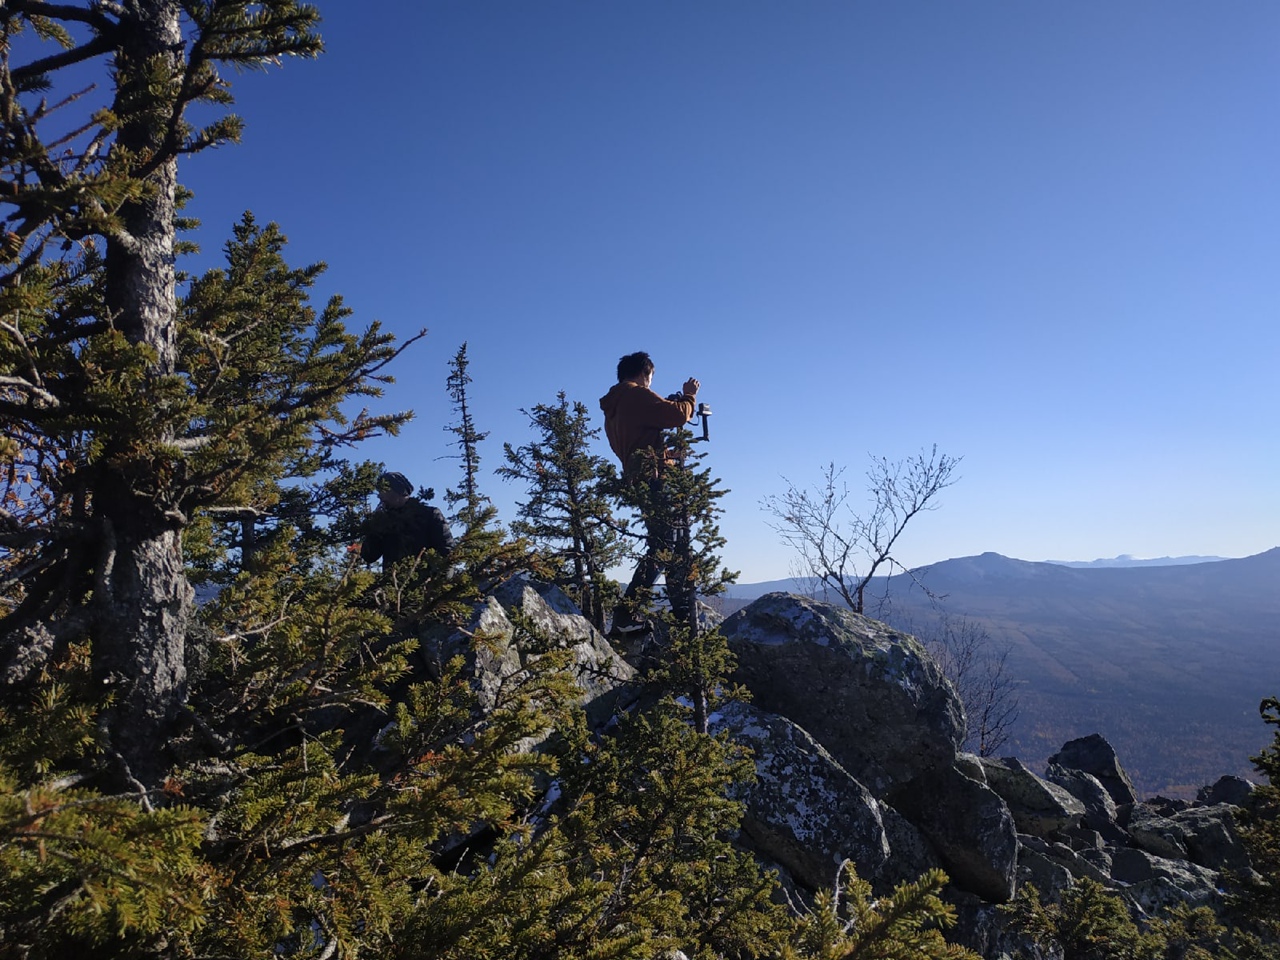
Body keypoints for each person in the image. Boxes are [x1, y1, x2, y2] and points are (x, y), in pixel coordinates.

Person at [599, 351, 700, 636]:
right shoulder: (634, 394)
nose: (652, 384)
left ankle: (679, 616)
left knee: (670, 544)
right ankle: (626, 613)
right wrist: (689, 396)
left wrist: (667, 455)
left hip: (643, 478)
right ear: (645, 373)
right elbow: (676, 414)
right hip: (657, 480)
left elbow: (638, 445)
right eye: (651, 378)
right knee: (665, 545)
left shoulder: (615, 407)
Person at [355, 471, 453, 571]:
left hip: (425, 583)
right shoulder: (384, 522)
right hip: (393, 583)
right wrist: (374, 529)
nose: (379, 496)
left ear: (398, 491)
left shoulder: (430, 515)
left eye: (383, 490)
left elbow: (447, 552)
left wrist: (440, 582)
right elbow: (369, 556)